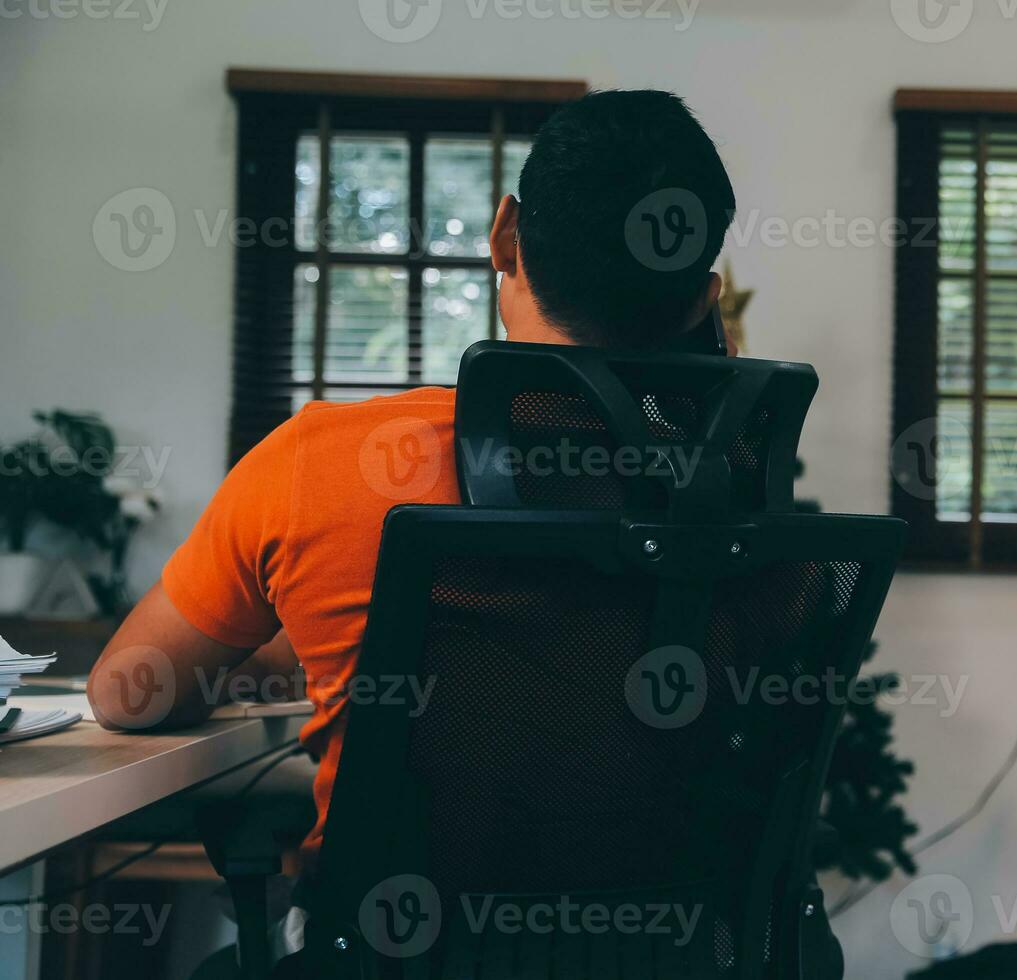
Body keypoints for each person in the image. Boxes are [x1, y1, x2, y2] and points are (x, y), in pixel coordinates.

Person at [87, 89, 842, 975]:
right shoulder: (753, 527)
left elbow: (128, 691)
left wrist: (325, 643)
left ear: (503, 237)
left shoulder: (326, 464)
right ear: (703, 301)